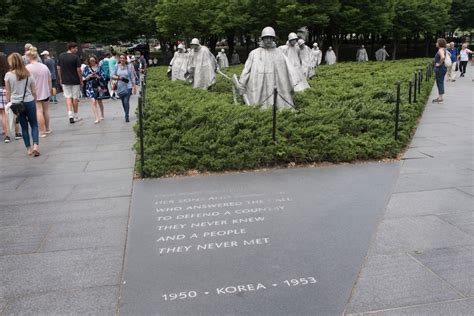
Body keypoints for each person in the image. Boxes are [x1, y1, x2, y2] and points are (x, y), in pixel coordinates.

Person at [239, 26, 300, 109]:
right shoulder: (254, 53)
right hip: (259, 88)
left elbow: (287, 71)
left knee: (281, 106)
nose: (268, 40)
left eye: (270, 38)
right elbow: (246, 70)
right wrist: (242, 84)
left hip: (277, 88)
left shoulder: (279, 53)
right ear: (262, 38)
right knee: (259, 107)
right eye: (266, 38)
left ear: (273, 39)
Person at [4, 53, 40, 156]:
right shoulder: (28, 74)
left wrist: (9, 103)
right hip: (29, 101)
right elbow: (34, 90)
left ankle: (28, 149)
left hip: (16, 104)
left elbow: (8, 92)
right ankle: (36, 146)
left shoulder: (8, 75)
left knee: (24, 127)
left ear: (11, 62)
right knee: (34, 125)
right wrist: (35, 100)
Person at [26, 47, 52, 137]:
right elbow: (49, 80)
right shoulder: (44, 66)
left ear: (29, 57)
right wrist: (50, 90)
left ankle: (42, 131)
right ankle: (48, 128)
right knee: (46, 110)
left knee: (39, 111)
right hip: (45, 91)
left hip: (34, 93)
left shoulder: (27, 68)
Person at [57, 42, 83, 123]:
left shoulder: (61, 56)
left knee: (68, 97)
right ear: (71, 48)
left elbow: (58, 68)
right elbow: (78, 70)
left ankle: (70, 114)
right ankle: (75, 115)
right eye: (75, 48)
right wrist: (81, 80)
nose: (76, 50)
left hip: (65, 80)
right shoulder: (76, 57)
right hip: (75, 80)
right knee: (75, 97)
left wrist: (60, 78)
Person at [111, 53, 137, 122]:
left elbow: (132, 77)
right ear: (119, 59)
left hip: (128, 86)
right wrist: (119, 78)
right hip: (120, 87)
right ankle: (126, 112)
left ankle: (127, 115)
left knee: (126, 101)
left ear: (126, 59)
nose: (122, 59)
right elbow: (112, 75)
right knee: (123, 102)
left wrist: (134, 87)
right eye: (121, 58)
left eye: (123, 58)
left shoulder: (129, 66)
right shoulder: (116, 66)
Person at [82, 54, 106, 123]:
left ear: (95, 60)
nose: (92, 62)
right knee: (93, 102)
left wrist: (97, 76)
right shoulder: (87, 68)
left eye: (93, 60)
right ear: (89, 61)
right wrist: (89, 76)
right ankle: (97, 117)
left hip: (99, 86)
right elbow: (84, 78)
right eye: (90, 61)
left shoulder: (100, 67)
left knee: (99, 101)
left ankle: (102, 114)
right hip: (90, 86)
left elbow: (103, 76)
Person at [432, 38, 447, 103]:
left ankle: (440, 98)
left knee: (439, 82)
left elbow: (443, 57)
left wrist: (439, 64)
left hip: (440, 68)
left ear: (440, 43)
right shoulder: (443, 49)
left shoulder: (440, 50)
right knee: (440, 82)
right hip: (442, 68)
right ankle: (440, 96)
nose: (436, 43)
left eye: (437, 42)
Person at [0, 54, 10, 142]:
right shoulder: (8, 70)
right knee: (10, 112)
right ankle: (17, 133)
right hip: (6, 90)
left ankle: (6, 135)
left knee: (2, 114)